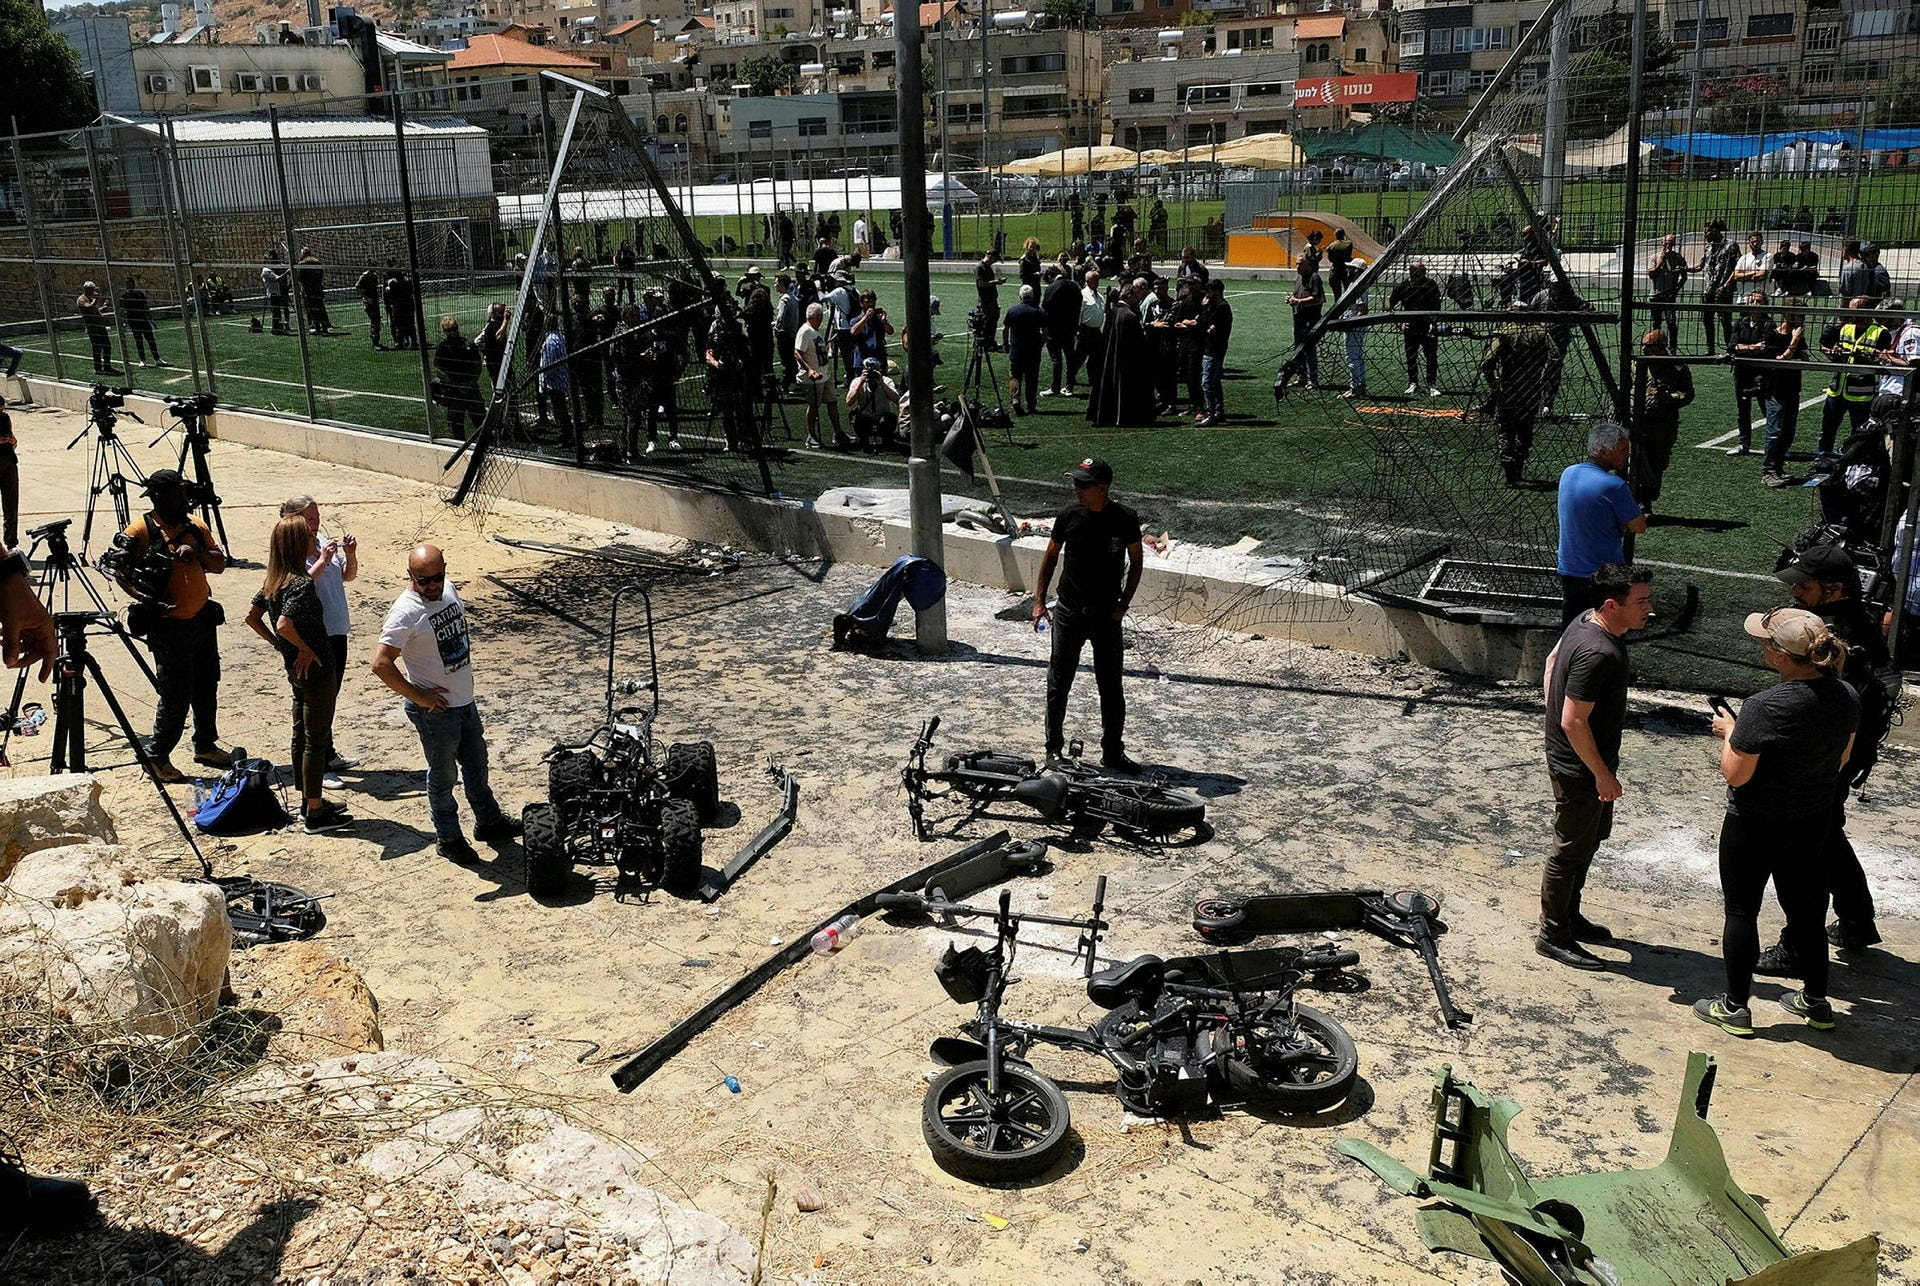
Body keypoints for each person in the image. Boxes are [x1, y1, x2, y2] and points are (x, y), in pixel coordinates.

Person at [1695, 608, 1858, 1036]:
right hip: (1811, 822)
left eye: (1767, 642)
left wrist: (1730, 732)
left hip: (1754, 825)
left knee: (1742, 910)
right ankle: (1816, 1002)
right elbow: (1842, 759)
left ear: (1780, 655)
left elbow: (1736, 773)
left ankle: (1734, 1006)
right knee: (1807, 911)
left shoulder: (1763, 706)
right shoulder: (1846, 696)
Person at [1748, 548, 1893, 970]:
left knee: (1806, 850)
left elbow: (1817, 703)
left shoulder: (1834, 638)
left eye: (1804, 585)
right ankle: (1856, 920)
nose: (1795, 591)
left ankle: (1797, 947)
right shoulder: (1852, 624)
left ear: (1834, 589)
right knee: (1826, 834)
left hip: (1826, 756)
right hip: (1843, 750)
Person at [371, 545, 522, 865]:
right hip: (436, 712)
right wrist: (419, 697)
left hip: (464, 701)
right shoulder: (405, 611)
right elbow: (381, 664)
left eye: (436, 578)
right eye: (422, 581)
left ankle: (489, 822)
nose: (431, 586)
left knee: (477, 765)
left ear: (444, 570)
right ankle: (449, 838)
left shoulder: (448, 590)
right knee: (443, 777)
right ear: (410, 576)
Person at [1537, 563, 1655, 970]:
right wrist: (1602, 773)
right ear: (1611, 604)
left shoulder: (1583, 620)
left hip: (1579, 757)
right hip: (1581, 766)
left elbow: (1552, 661)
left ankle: (1569, 915)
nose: (1648, 608)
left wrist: (1550, 711)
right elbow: (1573, 720)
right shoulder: (1599, 652)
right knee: (1570, 848)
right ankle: (1553, 934)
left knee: (1589, 839)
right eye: (1640, 602)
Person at [116, 469, 230, 782]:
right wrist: (147, 600)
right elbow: (120, 572)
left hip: (202, 619)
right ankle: (157, 757)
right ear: (157, 498)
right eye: (176, 495)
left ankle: (205, 746)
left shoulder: (196, 525)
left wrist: (197, 554)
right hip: (168, 628)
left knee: (207, 685)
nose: (183, 500)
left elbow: (219, 564)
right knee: (175, 694)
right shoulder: (141, 529)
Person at [1031, 457, 1144, 773]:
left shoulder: (1124, 519)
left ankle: (1112, 752)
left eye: (1084, 484)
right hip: (1069, 612)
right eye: (1076, 483)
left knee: (1110, 685)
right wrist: (1039, 601)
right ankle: (1053, 748)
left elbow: (1136, 562)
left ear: (1102, 488)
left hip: (1106, 615)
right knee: (1059, 682)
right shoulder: (1069, 515)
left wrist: (1123, 604)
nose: (1077, 489)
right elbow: (1050, 557)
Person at [246, 515, 352, 832]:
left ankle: (308, 800)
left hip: (295, 671)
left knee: (301, 732)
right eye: (308, 534)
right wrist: (303, 648)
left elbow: (253, 618)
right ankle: (316, 812)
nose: (313, 536)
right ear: (297, 543)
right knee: (316, 740)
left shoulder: (275, 580)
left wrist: (283, 648)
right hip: (316, 668)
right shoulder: (302, 584)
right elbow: (283, 625)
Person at [280, 494, 358, 779]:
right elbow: (299, 584)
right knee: (315, 702)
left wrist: (349, 555)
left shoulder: (322, 539)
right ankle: (317, 766)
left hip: (337, 627)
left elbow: (346, 576)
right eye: (310, 518)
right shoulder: (290, 547)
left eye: (317, 516)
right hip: (315, 633)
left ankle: (327, 752)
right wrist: (323, 559)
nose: (316, 522)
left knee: (330, 696)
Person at [1556, 422, 1647, 627]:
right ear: (1604, 451)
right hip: (1602, 574)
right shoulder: (1614, 486)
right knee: (1605, 631)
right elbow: (1638, 526)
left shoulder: (1568, 473)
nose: (1626, 455)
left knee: (1571, 630)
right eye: (1622, 450)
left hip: (1570, 569)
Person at [1814, 296, 1891, 468]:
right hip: (1837, 389)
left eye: (1853, 309)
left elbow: (1883, 363)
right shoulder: (1845, 327)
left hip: (1861, 394)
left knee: (1859, 433)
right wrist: (1834, 352)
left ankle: (1854, 465)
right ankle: (1822, 460)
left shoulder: (1881, 332)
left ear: (1866, 310)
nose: (1849, 313)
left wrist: (1859, 357)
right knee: (1827, 429)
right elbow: (1831, 352)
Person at [1479, 318, 1555, 486]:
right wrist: (1543, 375)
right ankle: (1518, 471)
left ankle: (1510, 475)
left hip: (1508, 389)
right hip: (1531, 389)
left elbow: (1486, 363)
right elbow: (1555, 355)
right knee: (1525, 430)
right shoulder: (1541, 332)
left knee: (1506, 431)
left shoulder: (1505, 333)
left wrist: (1494, 385)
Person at [1629, 329, 1694, 509]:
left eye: (1649, 346)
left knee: (1656, 463)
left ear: (1661, 347)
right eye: (1643, 345)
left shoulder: (1676, 366)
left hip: (1662, 424)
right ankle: (1634, 502)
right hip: (1637, 420)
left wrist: (1669, 397)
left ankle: (1647, 501)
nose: (1644, 349)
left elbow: (1688, 394)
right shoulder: (1636, 363)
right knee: (1632, 461)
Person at [1758, 299, 1809, 487]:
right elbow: (1779, 360)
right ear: (1788, 315)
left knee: (1788, 432)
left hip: (1793, 388)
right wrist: (1794, 341)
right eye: (1799, 315)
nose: (1801, 319)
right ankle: (1768, 470)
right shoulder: (1772, 335)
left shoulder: (1799, 335)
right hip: (1776, 390)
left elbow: (1802, 357)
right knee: (1775, 431)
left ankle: (1778, 468)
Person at [1090, 278, 1154, 428]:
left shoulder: (1114, 312)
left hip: (1111, 356)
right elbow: (1139, 343)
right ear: (1130, 296)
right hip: (1127, 360)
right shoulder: (1130, 316)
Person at [795, 301, 847, 450]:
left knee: (832, 402)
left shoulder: (814, 331)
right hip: (813, 377)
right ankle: (811, 436)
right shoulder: (805, 331)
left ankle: (838, 433)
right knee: (814, 406)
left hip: (824, 375)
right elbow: (797, 353)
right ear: (817, 317)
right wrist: (809, 370)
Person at [1727, 292, 1773, 456]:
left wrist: (1743, 348)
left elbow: (1765, 348)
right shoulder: (1741, 322)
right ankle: (1743, 443)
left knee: (1767, 409)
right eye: (1752, 301)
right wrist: (1752, 348)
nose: (1754, 304)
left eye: (1758, 301)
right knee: (1743, 409)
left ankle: (1773, 444)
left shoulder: (1768, 324)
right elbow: (1732, 346)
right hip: (1741, 370)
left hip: (1761, 372)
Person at [1387, 262, 1443, 396]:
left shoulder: (1430, 284)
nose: (1423, 273)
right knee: (1411, 356)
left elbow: (1437, 306)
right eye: (1420, 271)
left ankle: (1431, 385)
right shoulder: (1402, 286)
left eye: (1424, 271)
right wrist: (1399, 323)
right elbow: (1389, 304)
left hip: (1428, 326)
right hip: (1410, 327)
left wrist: (1433, 323)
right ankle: (1413, 383)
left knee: (1431, 357)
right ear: (1411, 271)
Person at [1692, 221, 1740, 356]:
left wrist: (1727, 285)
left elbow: (1737, 267)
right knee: (1707, 320)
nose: (1704, 235)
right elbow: (1701, 265)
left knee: (1725, 320)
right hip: (1708, 290)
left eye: (1706, 232)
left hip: (1724, 290)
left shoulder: (1731, 245)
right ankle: (1710, 348)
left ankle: (1730, 349)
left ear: (1714, 230)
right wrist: (1685, 269)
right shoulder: (1709, 247)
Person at [1002, 284, 1047, 415]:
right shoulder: (1039, 311)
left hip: (1017, 348)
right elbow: (1045, 331)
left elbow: (1005, 329)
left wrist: (1005, 343)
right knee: (1032, 377)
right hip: (1033, 349)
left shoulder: (1012, 310)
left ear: (1020, 296)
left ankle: (1016, 399)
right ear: (1032, 296)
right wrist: (1041, 344)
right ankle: (1031, 404)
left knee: (1015, 376)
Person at [1197, 279, 1233, 427]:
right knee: (1215, 382)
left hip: (1214, 350)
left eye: (1209, 291)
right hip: (1213, 349)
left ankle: (1211, 413)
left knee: (1207, 382)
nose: (1207, 295)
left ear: (1216, 291)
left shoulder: (1221, 309)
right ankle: (1218, 411)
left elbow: (1207, 326)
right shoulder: (1217, 307)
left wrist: (1204, 310)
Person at [1285, 259, 1326, 391]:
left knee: (1309, 350)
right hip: (1299, 319)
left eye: (1301, 264)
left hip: (1311, 319)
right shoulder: (1298, 279)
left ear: (1308, 265)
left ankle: (1312, 380)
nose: (1298, 267)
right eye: (1296, 264)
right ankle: (1301, 377)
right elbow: (1297, 295)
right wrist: (1291, 298)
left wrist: (1299, 301)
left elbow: (1318, 298)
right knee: (1298, 350)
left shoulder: (1314, 278)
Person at [845, 357, 900, 452]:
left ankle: (886, 438)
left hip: (882, 418)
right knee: (855, 417)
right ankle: (864, 440)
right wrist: (861, 382)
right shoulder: (856, 381)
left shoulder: (886, 381)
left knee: (890, 418)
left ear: (880, 370)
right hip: (865, 418)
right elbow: (849, 402)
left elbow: (897, 400)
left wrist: (882, 383)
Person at [1042, 265, 1081, 397]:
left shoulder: (1051, 288)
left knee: (1056, 359)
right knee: (1070, 358)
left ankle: (1055, 387)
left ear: (1050, 276)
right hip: (1070, 328)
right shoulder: (1074, 286)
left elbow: (1045, 309)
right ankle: (1069, 387)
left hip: (1055, 329)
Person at [1646, 232, 1689, 348]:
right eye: (1666, 243)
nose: (1668, 246)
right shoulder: (1654, 257)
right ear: (1662, 243)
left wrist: (1676, 289)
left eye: (1671, 244)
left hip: (1669, 295)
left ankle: (1672, 347)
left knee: (1671, 323)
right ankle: (1655, 345)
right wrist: (1660, 262)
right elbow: (1651, 274)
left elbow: (1685, 276)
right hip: (1655, 295)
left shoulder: (1678, 258)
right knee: (1656, 323)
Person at [538, 315, 575, 445]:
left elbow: (548, 364)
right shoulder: (560, 337)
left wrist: (543, 382)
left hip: (554, 380)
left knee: (559, 409)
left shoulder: (550, 341)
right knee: (561, 409)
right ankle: (566, 434)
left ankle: (564, 436)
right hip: (561, 377)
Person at [1075, 270, 1106, 405]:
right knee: (1079, 357)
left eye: (1098, 279)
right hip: (1085, 330)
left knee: (1096, 357)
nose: (1097, 282)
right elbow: (1078, 313)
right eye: (1095, 280)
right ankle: (1070, 379)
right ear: (1087, 281)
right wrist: (1077, 330)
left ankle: (1093, 379)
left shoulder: (1099, 296)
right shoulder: (1082, 295)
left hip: (1096, 331)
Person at [120, 276, 163, 366]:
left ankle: (157, 359)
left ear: (133, 284)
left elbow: (145, 307)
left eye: (130, 283)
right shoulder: (124, 296)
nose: (128, 285)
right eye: (127, 284)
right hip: (133, 321)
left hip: (143, 320)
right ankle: (142, 360)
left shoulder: (139, 294)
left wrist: (151, 319)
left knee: (151, 340)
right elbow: (123, 310)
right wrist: (124, 322)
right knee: (138, 341)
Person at [76, 281, 116, 373]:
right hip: (92, 327)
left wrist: (103, 307)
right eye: (92, 289)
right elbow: (88, 307)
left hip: (100, 326)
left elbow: (95, 310)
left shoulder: (91, 298)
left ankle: (107, 366)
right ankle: (98, 368)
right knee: (97, 348)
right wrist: (95, 299)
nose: (93, 291)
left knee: (107, 346)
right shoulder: (82, 299)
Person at [296, 247, 332, 336]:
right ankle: (324, 327)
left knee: (312, 310)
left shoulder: (303, 263)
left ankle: (317, 327)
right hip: (318, 289)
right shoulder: (317, 261)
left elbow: (300, 277)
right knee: (321, 308)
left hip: (309, 290)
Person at [1341, 287, 1369, 399]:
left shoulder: (1358, 286)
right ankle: (1360, 385)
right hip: (1354, 325)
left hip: (1354, 327)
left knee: (1352, 357)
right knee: (1357, 356)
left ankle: (1355, 387)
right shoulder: (1356, 284)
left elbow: (1361, 310)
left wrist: (1351, 323)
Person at [975, 250, 1005, 348]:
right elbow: (981, 284)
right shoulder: (979, 268)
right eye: (994, 259)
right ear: (990, 257)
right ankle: (985, 343)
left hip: (992, 299)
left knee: (993, 321)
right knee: (987, 322)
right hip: (986, 300)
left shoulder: (988, 267)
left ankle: (991, 341)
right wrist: (996, 282)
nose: (995, 261)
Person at [0, 396, 18, 548]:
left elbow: (14, 441)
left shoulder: (5, 418)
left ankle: (11, 541)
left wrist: (11, 441)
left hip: (8, 463)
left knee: (11, 505)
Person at [356, 264, 385, 349]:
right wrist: (366, 298)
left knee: (377, 321)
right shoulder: (364, 276)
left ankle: (376, 340)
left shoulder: (375, 276)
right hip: (369, 302)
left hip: (375, 301)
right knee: (374, 321)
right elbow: (357, 287)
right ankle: (375, 342)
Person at [262, 252, 291, 337]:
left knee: (278, 311)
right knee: (276, 312)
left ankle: (278, 327)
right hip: (273, 293)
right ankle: (276, 329)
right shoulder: (266, 271)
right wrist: (286, 272)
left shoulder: (270, 269)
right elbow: (277, 278)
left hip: (277, 293)